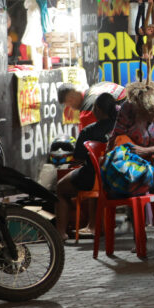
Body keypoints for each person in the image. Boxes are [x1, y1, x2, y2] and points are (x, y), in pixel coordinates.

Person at [101, 81, 154, 257]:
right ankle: (140, 240)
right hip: (132, 164)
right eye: (151, 117)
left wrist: (145, 150)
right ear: (141, 111)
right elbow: (116, 137)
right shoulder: (128, 109)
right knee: (134, 185)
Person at [53, 93, 117, 241]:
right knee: (95, 182)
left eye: (94, 107)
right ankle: (93, 225)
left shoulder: (89, 130)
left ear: (99, 110)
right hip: (115, 177)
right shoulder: (120, 126)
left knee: (61, 188)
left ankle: (60, 233)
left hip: (92, 177)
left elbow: (79, 157)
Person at [59, 81, 127, 129]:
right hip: (134, 107)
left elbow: (90, 141)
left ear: (71, 99)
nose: (72, 109)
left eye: (68, 105)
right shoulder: (101, 84)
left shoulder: (87, 112)